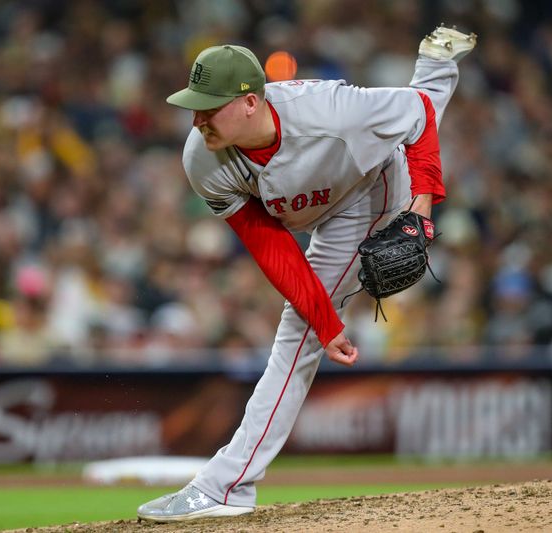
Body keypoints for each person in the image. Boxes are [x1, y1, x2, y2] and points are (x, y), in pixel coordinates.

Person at [137, 24, 477, 522]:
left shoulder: (333, 112)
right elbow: (271, 246)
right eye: (194, 103)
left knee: (294, 337)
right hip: (316, 206)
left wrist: (422, 212)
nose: (197, 118)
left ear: (250, 102)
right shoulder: (202, 160)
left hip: (370, 185)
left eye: (209, 106)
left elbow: (420, 116)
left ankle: (227, 486)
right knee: (306, 319)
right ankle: (436, 61)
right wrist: (325, 316)